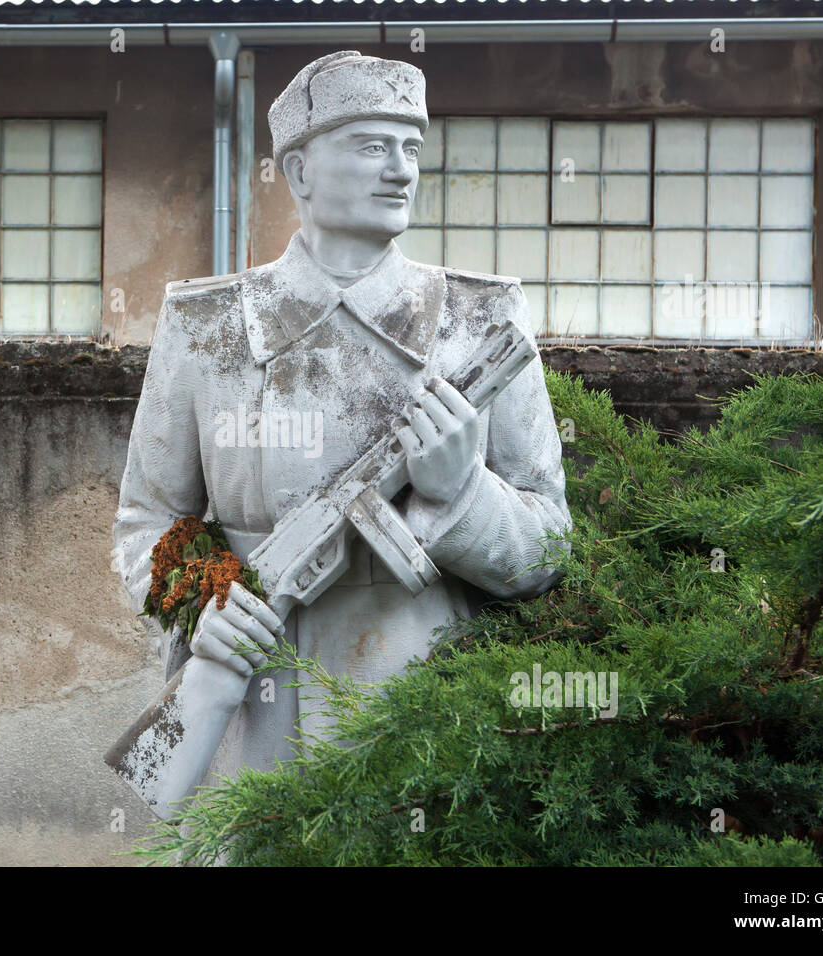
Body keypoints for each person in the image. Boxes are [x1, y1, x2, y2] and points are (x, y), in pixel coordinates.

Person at [114, 51, 572, 780]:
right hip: (253, 713)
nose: (401, 170)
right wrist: (207, 605)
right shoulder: (208, 327)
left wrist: (462, 494)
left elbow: (547, 547)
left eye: (411, 148)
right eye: (371, 146)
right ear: (297, 172)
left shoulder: (480, 323)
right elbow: (147, 523)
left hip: (423, 719)